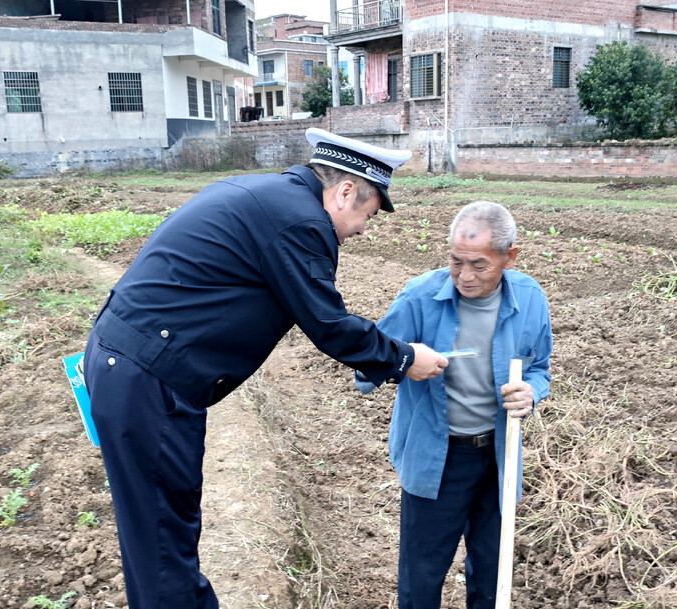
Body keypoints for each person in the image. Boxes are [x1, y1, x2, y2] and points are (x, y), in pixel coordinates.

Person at [83, 128, 449, 609]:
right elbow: (328, 323)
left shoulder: (264, 193)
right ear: (343, 192)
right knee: (160, 538)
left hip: (133, 366)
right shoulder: (301, 222)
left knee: (159, 532)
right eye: (368, 213)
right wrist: (403, 358)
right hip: (148, 379)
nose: (362, 229)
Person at [356, 201, 552, 609]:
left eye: (479, 265)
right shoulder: (420, 296)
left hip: (499, 456)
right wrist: (407, 360)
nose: (465, 275)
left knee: (491, 571)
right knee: (422, 573)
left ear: (509, 257)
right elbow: (365, 371)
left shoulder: (531, 299)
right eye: (455, 261)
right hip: (438, 458)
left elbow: (541, 369)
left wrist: (531, 391)